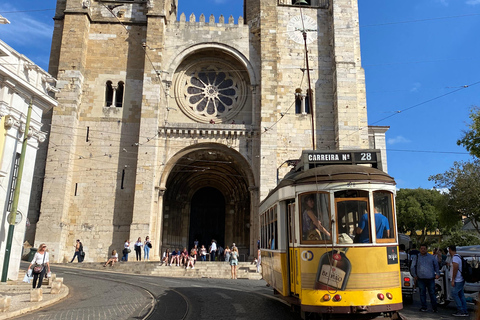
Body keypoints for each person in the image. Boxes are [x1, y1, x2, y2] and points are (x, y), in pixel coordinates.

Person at [410, 244, 439, 313]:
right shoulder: (416, 257)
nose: (423, 250)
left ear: (426, 249)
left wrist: (437, 273)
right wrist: (414, 275)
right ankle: (424, 307)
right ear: (419, 249)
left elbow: (436, 265)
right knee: (422, 293)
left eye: (424, 248)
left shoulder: (431, 257)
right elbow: (412, 267)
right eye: (421, 248)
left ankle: (434, 308)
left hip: (430, 278)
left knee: (432, 293)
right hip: (420, 279)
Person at [448, 245, 468, 317]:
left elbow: (455, 268)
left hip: (457, 280)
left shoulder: (455, 258)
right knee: (461, 295)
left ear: (450, 249)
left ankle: (460, 310)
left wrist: (453, 279)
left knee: (454, 294)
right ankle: (464, 310)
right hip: (460, 279)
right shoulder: (458, 256)